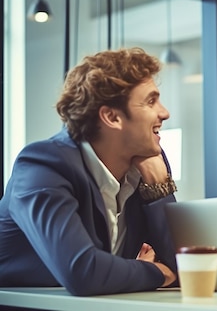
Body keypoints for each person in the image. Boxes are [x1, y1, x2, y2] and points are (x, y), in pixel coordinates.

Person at [0, 47, 178, 296]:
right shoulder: (43, 165)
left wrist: (160, 190)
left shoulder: (148, 164)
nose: (165, 112)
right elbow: (84, 272)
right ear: (112, 117)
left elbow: (184, 266)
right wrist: (154, 272)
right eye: (151, 101)